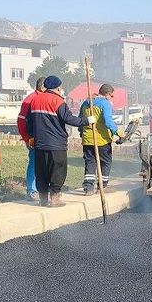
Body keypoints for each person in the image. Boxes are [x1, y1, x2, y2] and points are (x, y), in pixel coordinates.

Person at [26, 75, 94, 207]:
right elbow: (69, 119)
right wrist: (87, 120)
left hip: (40, 143)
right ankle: (55, 198)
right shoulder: (58, 101)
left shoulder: (35, 100)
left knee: (42, 171)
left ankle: (43, 199)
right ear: (57, 88)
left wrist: (31, 136)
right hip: (56, 143)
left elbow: (29, 121)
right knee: (58, 170)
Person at [78, 83, 124, 196]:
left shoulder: (85, 103)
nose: (111, 98)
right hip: (102, 140)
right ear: (107, 94)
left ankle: (88, 188)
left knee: (90, 162)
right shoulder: (105, 104)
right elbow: (108, 122)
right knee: (106, 162)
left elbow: (80, 121)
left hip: (88, 139)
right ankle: (102, 186)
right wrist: (119, 133)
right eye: (111, 96)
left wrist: (81, 133)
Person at [17, 76, 45, 201]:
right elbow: (21, 121)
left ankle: (42, 189)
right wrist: (27, 138)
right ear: (42, 87)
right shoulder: (30, 100)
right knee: (34, 163)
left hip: (45, 138)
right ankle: (32, 190)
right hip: (33, 138)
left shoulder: (45, 99)